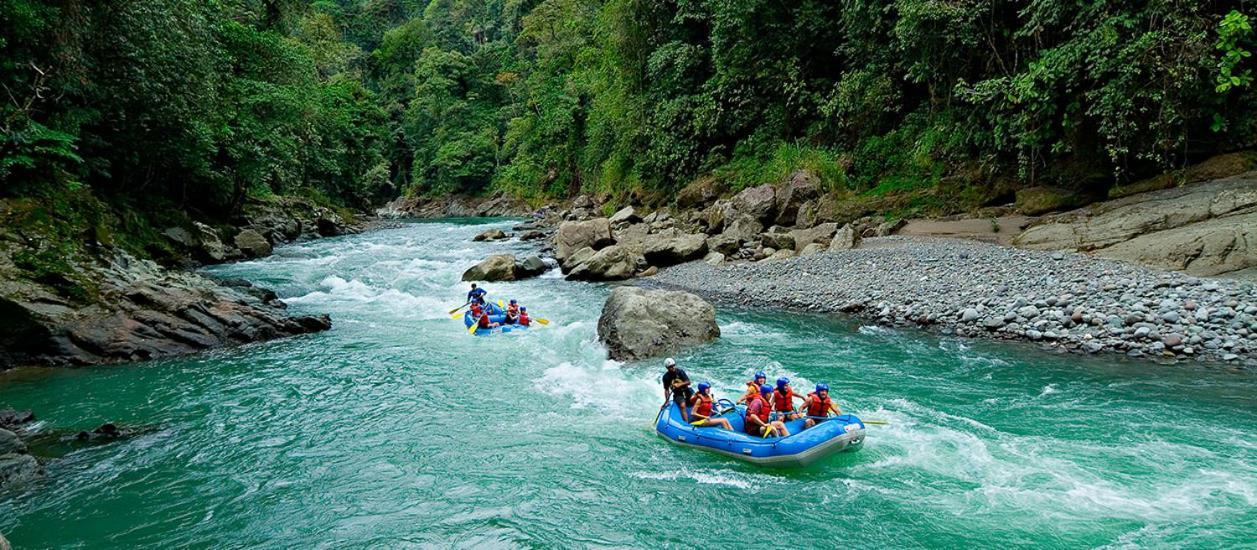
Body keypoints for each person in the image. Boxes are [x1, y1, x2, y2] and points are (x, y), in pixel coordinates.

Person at [661, 358, 694, 423]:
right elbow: (666, 390)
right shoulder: (665, 377)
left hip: (687, 390)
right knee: (682, 405)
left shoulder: (680, 372)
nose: (673, 367)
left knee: (697, 399)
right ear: (667, 368)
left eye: (673, 365)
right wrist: (667, 401)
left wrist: (680, 384)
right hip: (678, 394)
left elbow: (688, 382)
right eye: (670, 367)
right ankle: (686, 423)